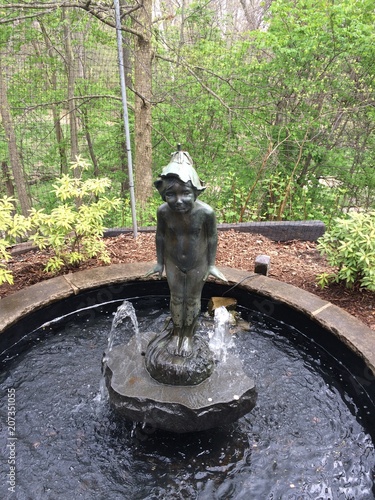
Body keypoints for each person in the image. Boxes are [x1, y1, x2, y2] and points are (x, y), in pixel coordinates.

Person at [147, 148, 226, 357]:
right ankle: (176, 333)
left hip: (197, 263)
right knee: (176, 297)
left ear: (197, 192)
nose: (178, 200)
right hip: (173, 261)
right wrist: (159, 263)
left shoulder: (206, 213)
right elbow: (160, 236)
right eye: (171, 194)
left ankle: (188, 336)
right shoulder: (163, 212)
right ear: (164, 194)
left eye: (186, 193)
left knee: (191, 299)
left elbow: (212, 238)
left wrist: (211, 265)